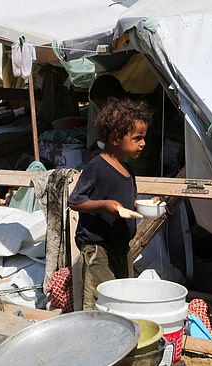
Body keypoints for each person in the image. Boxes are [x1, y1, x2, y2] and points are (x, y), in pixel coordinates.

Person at [68, 98, 154, 309]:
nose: (143, 143)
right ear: (116, 138)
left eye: (144, 137)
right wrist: (103, 205)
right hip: (99, 248)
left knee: (123, 298)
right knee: (100, 300)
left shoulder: (128, 171)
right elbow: (75, 200)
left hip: (121, 248)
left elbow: (126, 203)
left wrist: (145, 204)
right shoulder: (97, 167)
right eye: (137, 138)